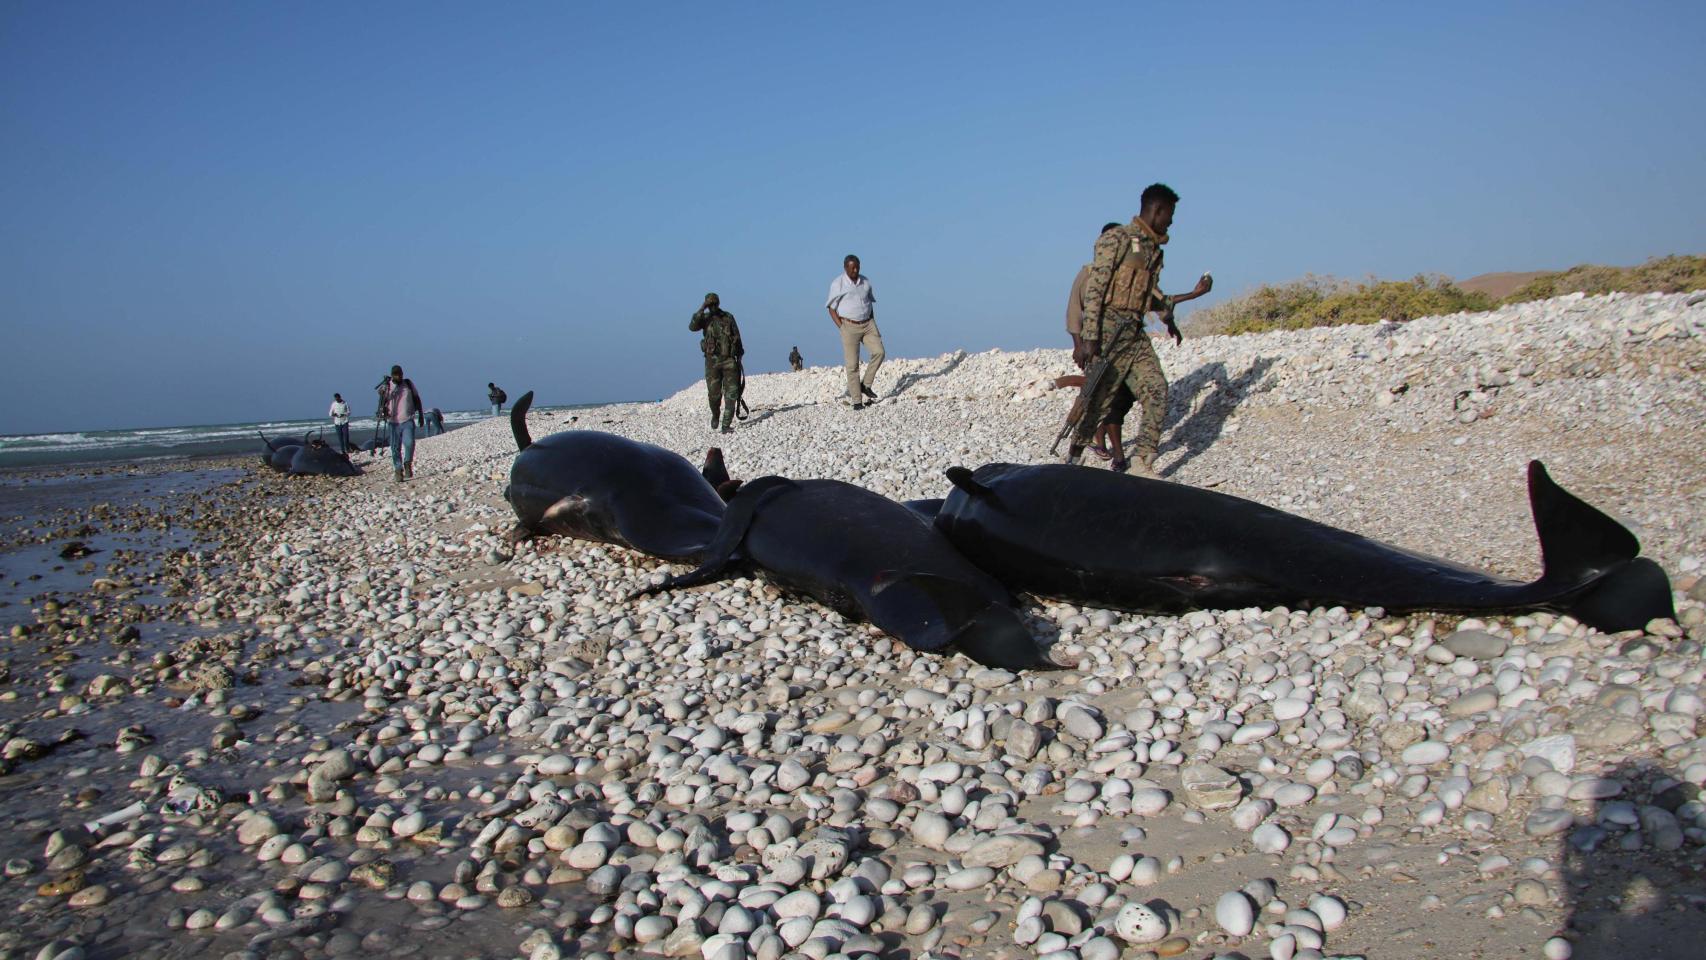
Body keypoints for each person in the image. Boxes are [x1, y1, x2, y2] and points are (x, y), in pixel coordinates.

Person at [1071, 183, 1213, 476]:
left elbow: (1151, 294)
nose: (1170, 222)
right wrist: (1089, 338)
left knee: (1157, 390)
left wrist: (1170, 321)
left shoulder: (1153, 251)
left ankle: (1142, 461)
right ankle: (1073, 458)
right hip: (1108, 329)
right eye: (1169, 215)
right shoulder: (1117, 239)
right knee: (1098, 400)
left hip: (1134, 332)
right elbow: (1096, 288)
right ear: (1157, 209)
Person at [1067, 224, 1131, 459]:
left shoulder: (1130, 273)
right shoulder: (1089, 273)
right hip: (1097, 348)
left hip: (1125, 347)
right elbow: (1075, 310)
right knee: (1096, 399)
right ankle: (1095, 450)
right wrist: (1078, 345)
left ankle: (1114, 451)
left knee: (1119, 398)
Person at [825, 254, 884, 410]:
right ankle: (857, 401)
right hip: (849, 325)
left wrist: (872, 321)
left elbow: (869, 302)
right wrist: (842, 327)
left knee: (879, 352)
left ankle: (866, 384)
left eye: (857, 267)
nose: (855, 270)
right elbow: (831, 309)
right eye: (852, 268)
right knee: (852, 365)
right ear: (845, 268)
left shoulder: (865, 282)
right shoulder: (838, 283)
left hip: (868, 324)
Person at [689, 293, 745, 434]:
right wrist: (702, 308)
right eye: (710, 304)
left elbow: (737, 336)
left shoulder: (728, 317)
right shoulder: (705, 318)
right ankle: (715, 415)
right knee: (714, 395)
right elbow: (692, 326)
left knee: (732, 394)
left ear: (718, 303)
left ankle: (726, 425)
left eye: (714, 303)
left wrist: (739, 354)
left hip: (729, 361)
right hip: (712, 362)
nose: (713, 306)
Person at [380, 365, 425, 481]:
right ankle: (398, 470)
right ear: (392, 375)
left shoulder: (408, 384)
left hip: (407, 420)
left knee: (409, 443)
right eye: (396, 375)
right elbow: (382, 402)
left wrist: (421, 415)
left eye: (400, 374)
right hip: (393, 422)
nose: (398, 376)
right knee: (395, 447)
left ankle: (407, 463)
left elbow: (417, 398)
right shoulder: (387, 386)